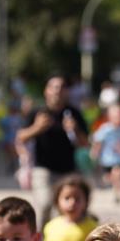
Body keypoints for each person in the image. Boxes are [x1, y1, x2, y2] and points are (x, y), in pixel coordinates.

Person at [18, 75, 88, 231]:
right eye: (54, 87)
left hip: (68, 170)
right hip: (43, 169)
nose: (58, 91)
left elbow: (85, 143)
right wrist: (37, 127)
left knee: (61, 211)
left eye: (62, 87)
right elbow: (20, 137)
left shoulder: (73, 113)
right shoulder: (38, 112)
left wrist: (74, 129)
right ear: (46, 91)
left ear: (67, 92)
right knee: (44, 204)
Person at [90, 103, 120, 205]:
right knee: (108, 177)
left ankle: (118, 195)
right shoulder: (105, 129)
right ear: (110, 117)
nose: (118, 119)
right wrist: (95, 152)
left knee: (117, 173)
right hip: (106, 159)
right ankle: (111, 185)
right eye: (115, 116)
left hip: (119, 159)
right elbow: (98, 141)